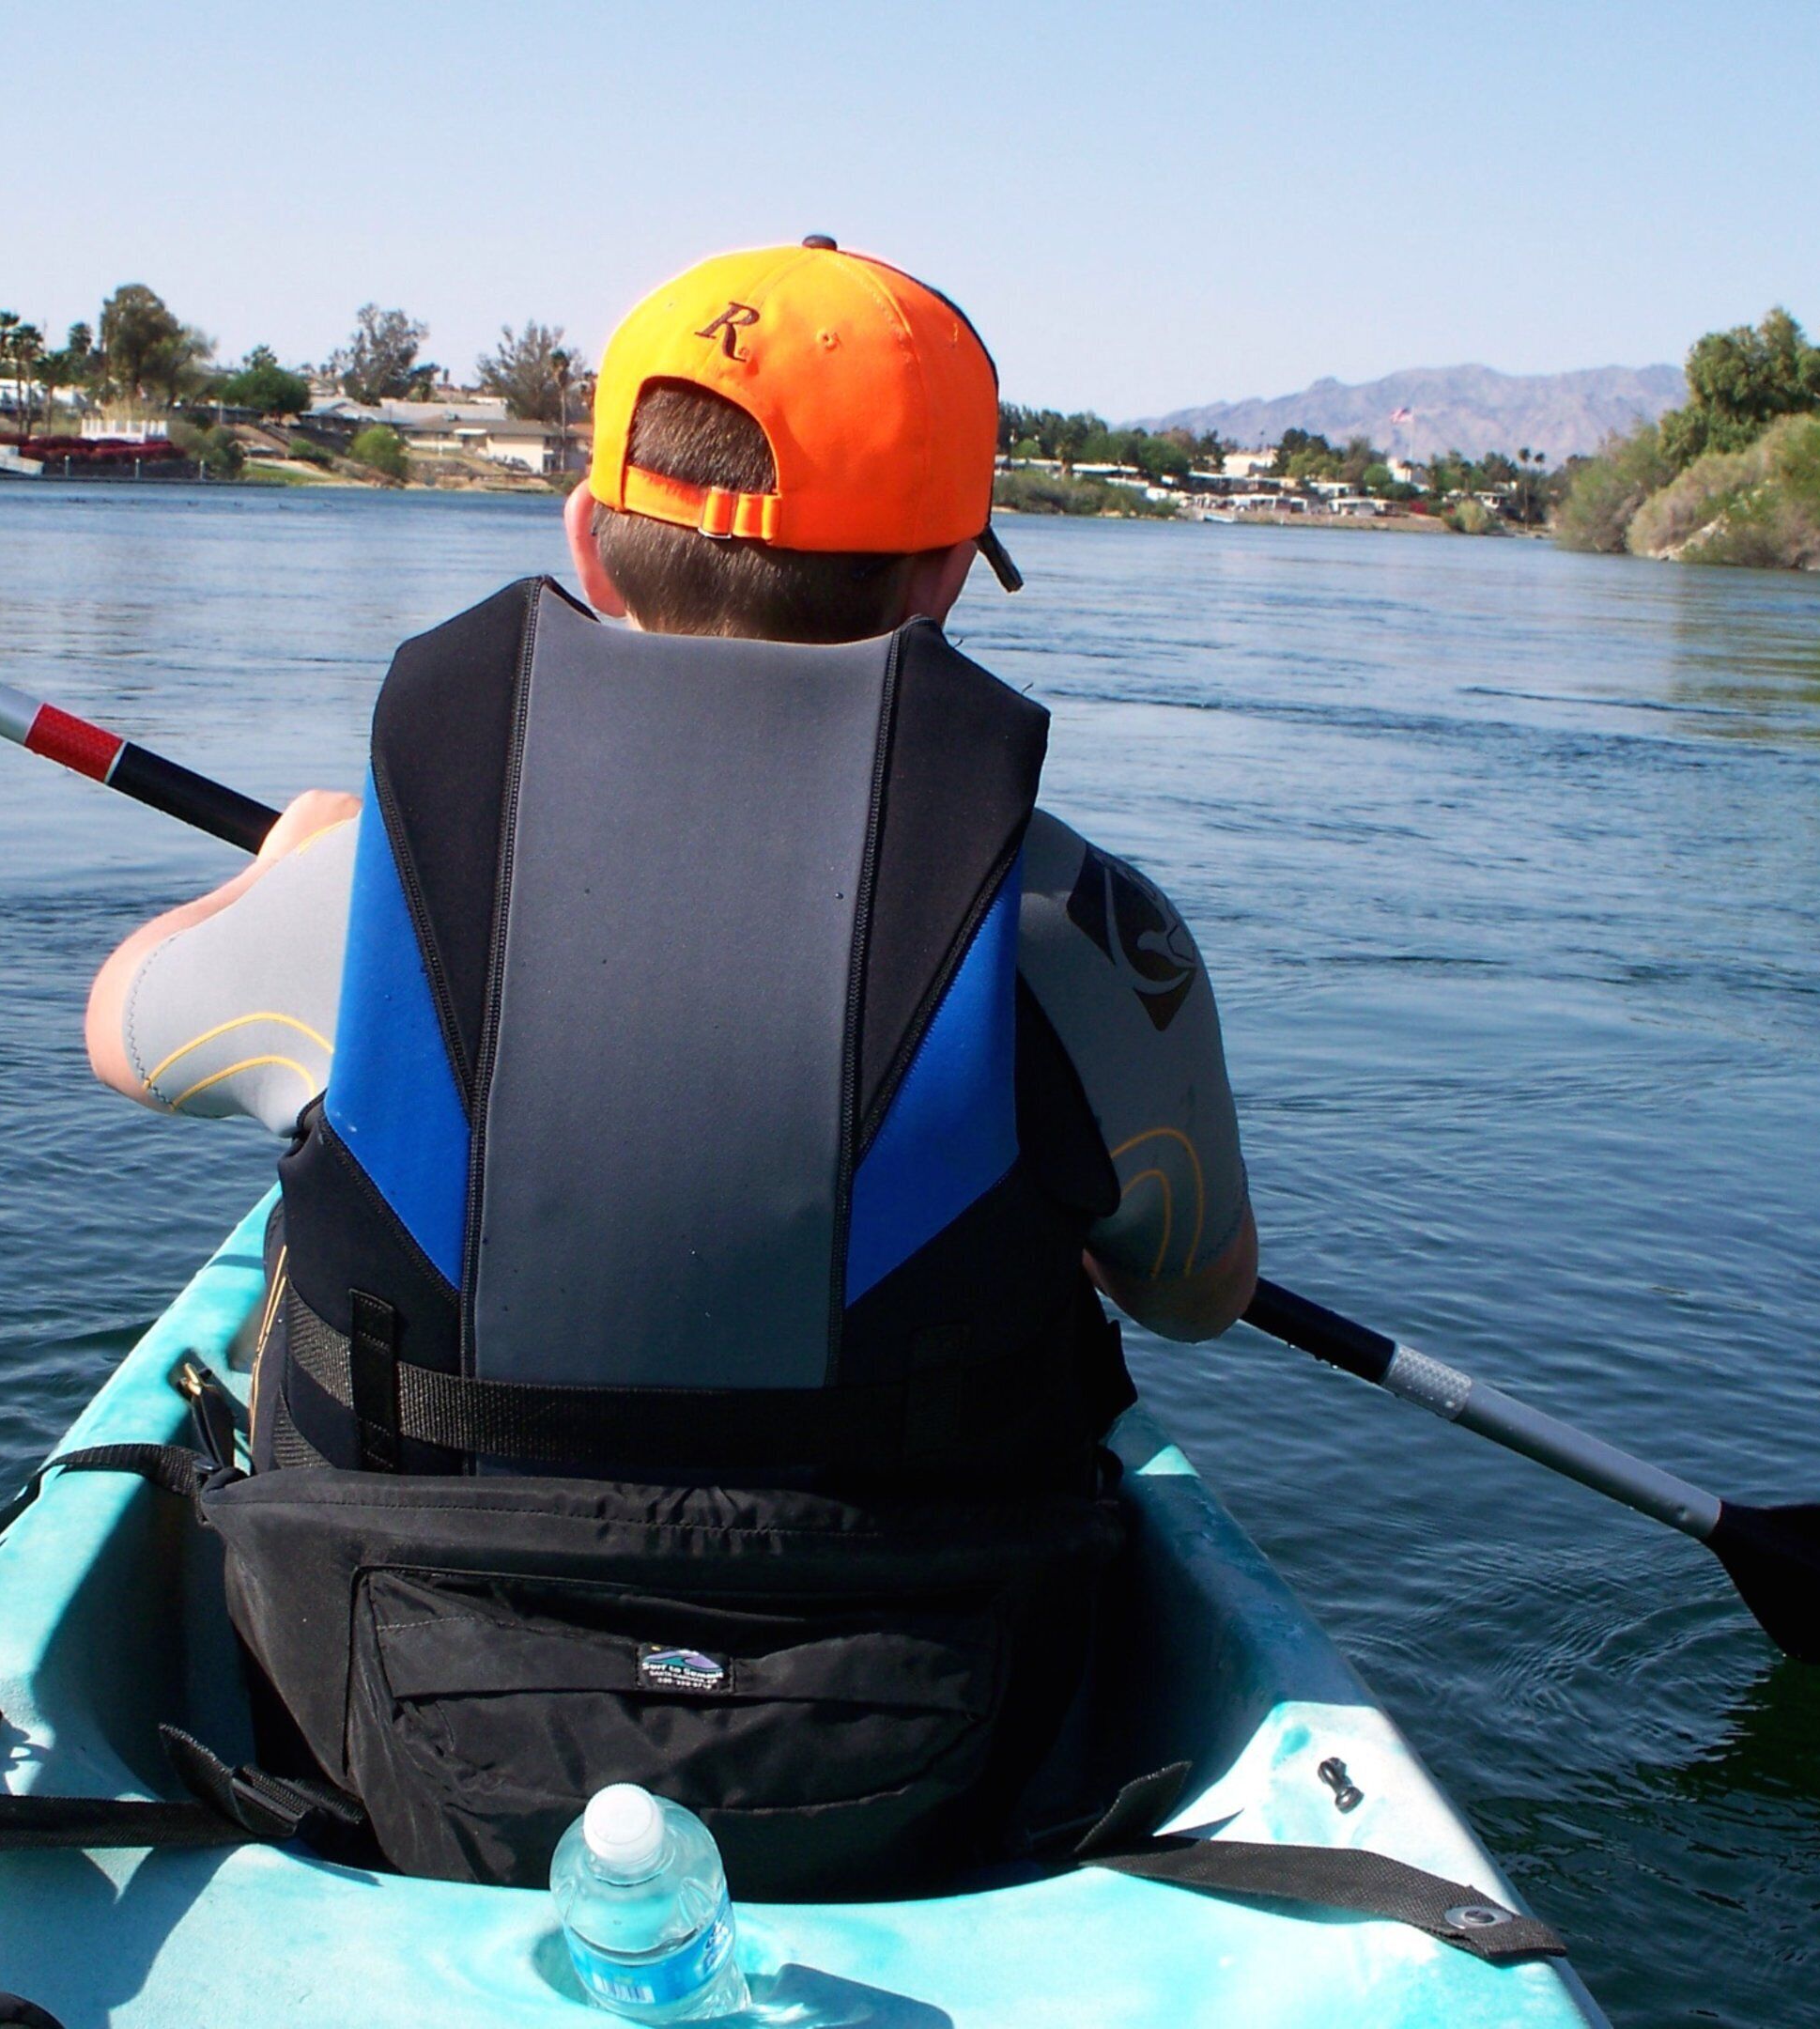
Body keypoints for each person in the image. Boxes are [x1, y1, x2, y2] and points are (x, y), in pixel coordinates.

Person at [83, 240, 1258, 1893]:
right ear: (939, 582)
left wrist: (297, 854)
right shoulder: (1087, 929)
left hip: (390, 1701)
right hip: (924, 1731)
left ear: (588, 539)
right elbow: (1199, 1290)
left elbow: (122, 1030)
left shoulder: (371, 883)